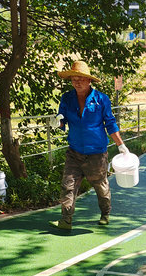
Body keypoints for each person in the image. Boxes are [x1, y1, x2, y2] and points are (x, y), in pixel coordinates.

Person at [50, 60, 128, 230]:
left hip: (96, 154)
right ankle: (66, 219)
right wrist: (58, 122)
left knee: (100, 186)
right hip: (74, 151)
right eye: (73, 79)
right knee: (67, 185)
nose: (76, 82)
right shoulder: (67, 98)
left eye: (81, 78)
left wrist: (121, 145)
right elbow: (62, 119)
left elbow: (110, 123)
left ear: (89, 81)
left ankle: (105, 213)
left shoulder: (101, 99)